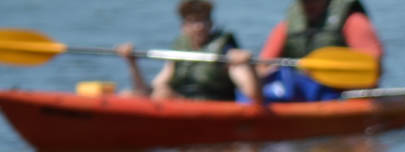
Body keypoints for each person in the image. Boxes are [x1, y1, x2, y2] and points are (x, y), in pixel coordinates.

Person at [116, 1, 264, 105]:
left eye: (203, 21)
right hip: (179, 100)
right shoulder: (180, 50)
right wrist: (132, 63)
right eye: (193, 22)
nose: (199, 27)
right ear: (183, 26)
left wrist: (247, 65)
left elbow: (254, 95)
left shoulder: (226, 49)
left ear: (211, 23)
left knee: (162, 94)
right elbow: (147, 91)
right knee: (129, 94)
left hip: (212, 105)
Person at [253, 0, 384, 102]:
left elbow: (373, 67)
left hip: (343, 96)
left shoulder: (353, 20)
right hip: (301, 95)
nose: (308, 5)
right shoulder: (287, 26)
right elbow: (264, 65)